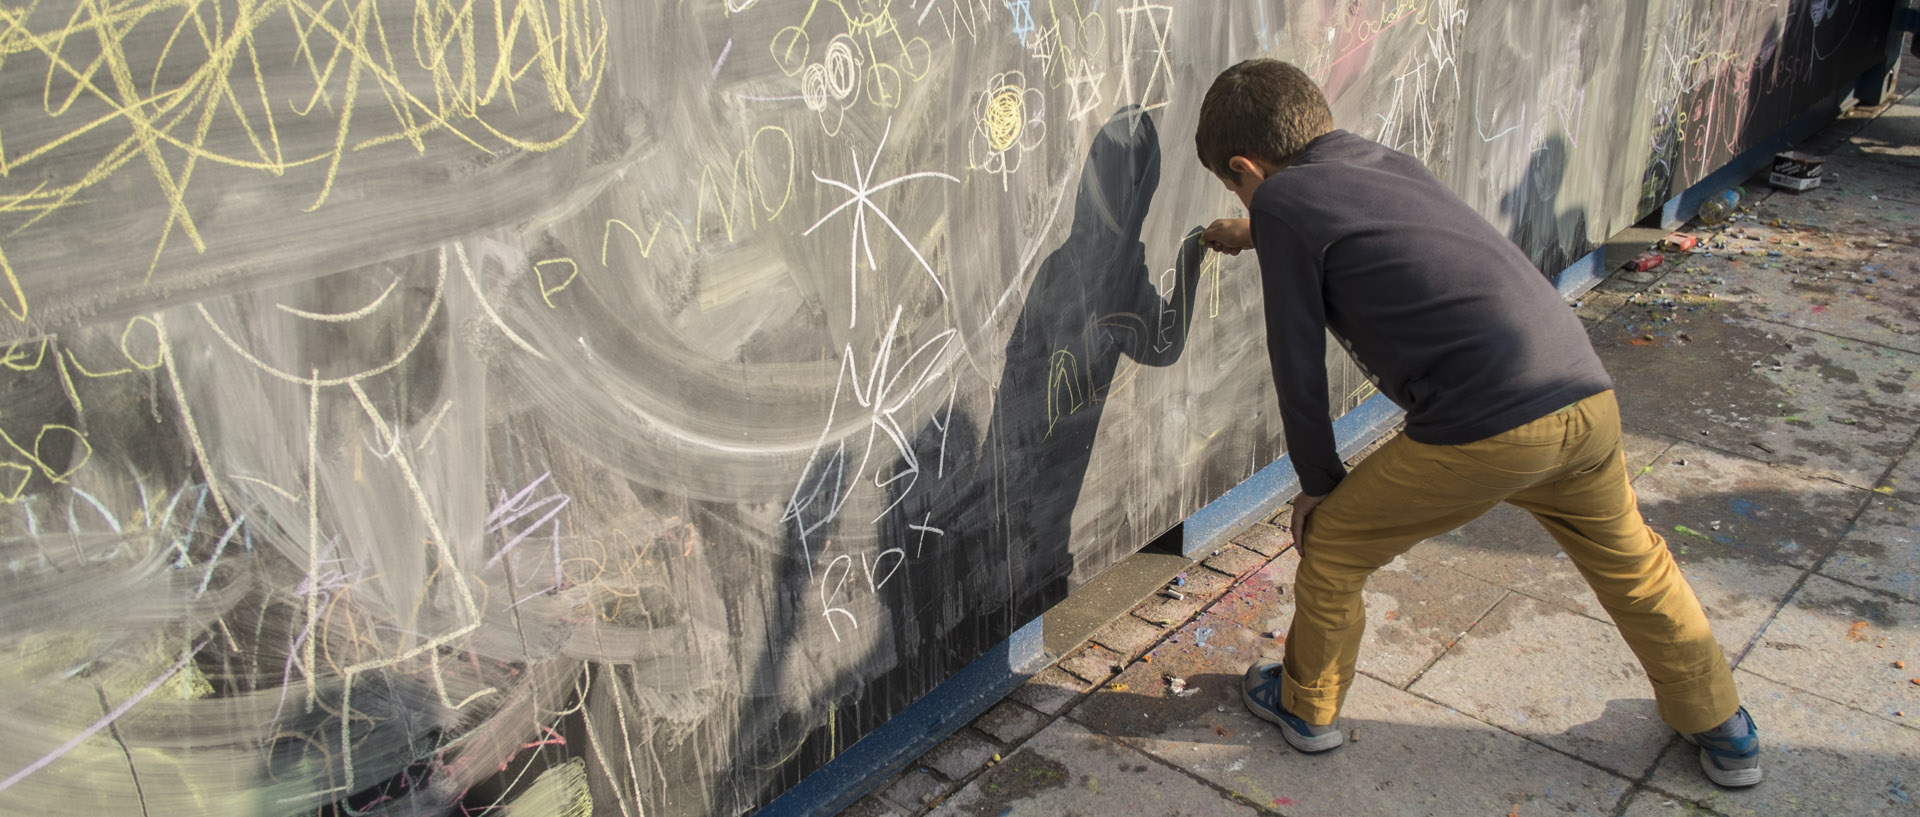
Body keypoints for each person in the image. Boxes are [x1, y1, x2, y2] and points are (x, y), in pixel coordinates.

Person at [1193, 58, 1761, 788]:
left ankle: (1305, 706)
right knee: (1634, 563)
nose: (1248, 202)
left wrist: (1319, 483)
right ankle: (1723, 725)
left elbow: (1295, 363)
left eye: (1237, 186)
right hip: (1583, 396)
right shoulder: (1379, 162)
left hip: (1486, 426)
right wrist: (1250, 232)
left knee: (1332, 545)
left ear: (1246, 166)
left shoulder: (1283, 204)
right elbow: (1339, 225)